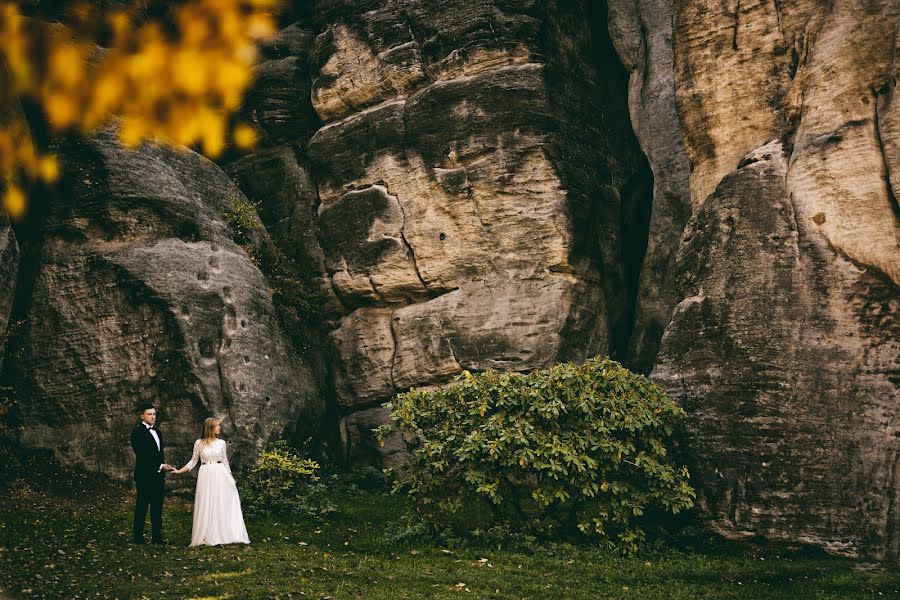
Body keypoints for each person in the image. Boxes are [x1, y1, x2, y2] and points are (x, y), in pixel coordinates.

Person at [172, 417, 250, 546]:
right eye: (217, 426)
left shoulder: (221, 443)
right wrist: (180, 471)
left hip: (220, 473)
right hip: (206, 473)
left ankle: (223, 531)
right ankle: (207, 533)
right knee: (207, 501)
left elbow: (225, 461)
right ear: (210, 428)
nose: (219, 427)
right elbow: (193, 460)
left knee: (220, 501)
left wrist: (230, 477)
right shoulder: (199, 443)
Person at [130, 403, 174, 545]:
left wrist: (161, 467)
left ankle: (156, 536)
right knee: (142, 506)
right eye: (149, 414)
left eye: (154, 414)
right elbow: (142, 455)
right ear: (142, 416)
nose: (153, 416)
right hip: (144, 476)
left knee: (157, 507)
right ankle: (138, 537)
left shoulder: (158, 432)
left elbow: (158, 454)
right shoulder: (137, 432)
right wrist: (160, 465)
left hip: (158, 475)